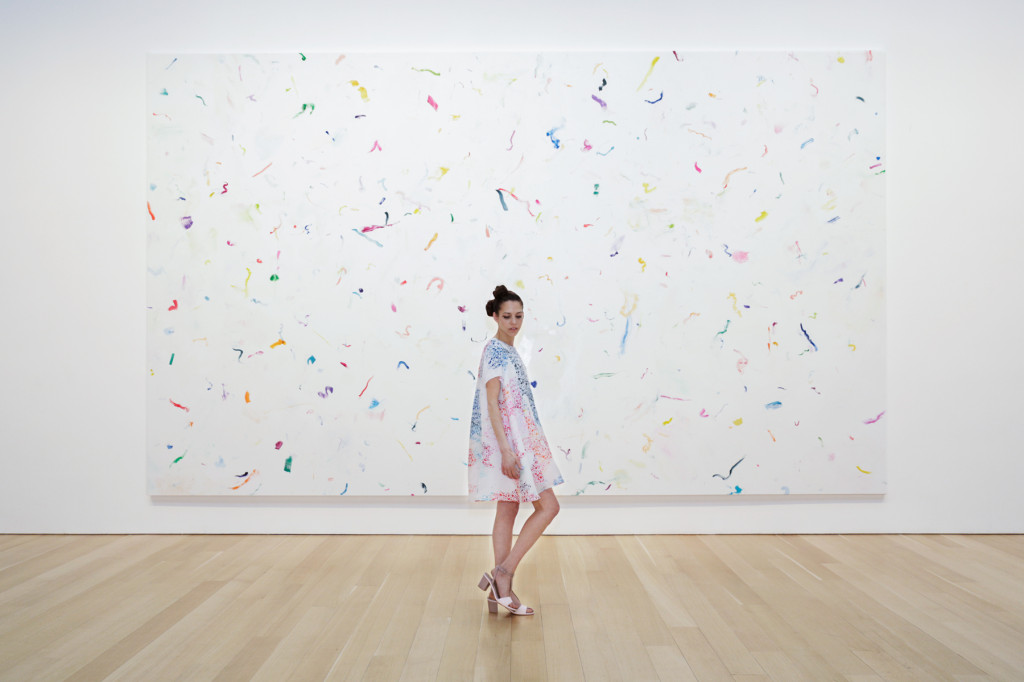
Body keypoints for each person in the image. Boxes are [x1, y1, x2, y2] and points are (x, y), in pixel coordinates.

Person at [469, 285, 563, 616]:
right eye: (506, 316)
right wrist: (507, 452)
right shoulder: (496, 351)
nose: (513, 322)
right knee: (548, 507)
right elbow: (492, 404)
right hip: (513, 446)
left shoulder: (509, 352)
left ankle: (500, 589)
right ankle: (504, 574)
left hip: (521, 441)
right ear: (494, 316)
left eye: (519, 316)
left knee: (507, 510)